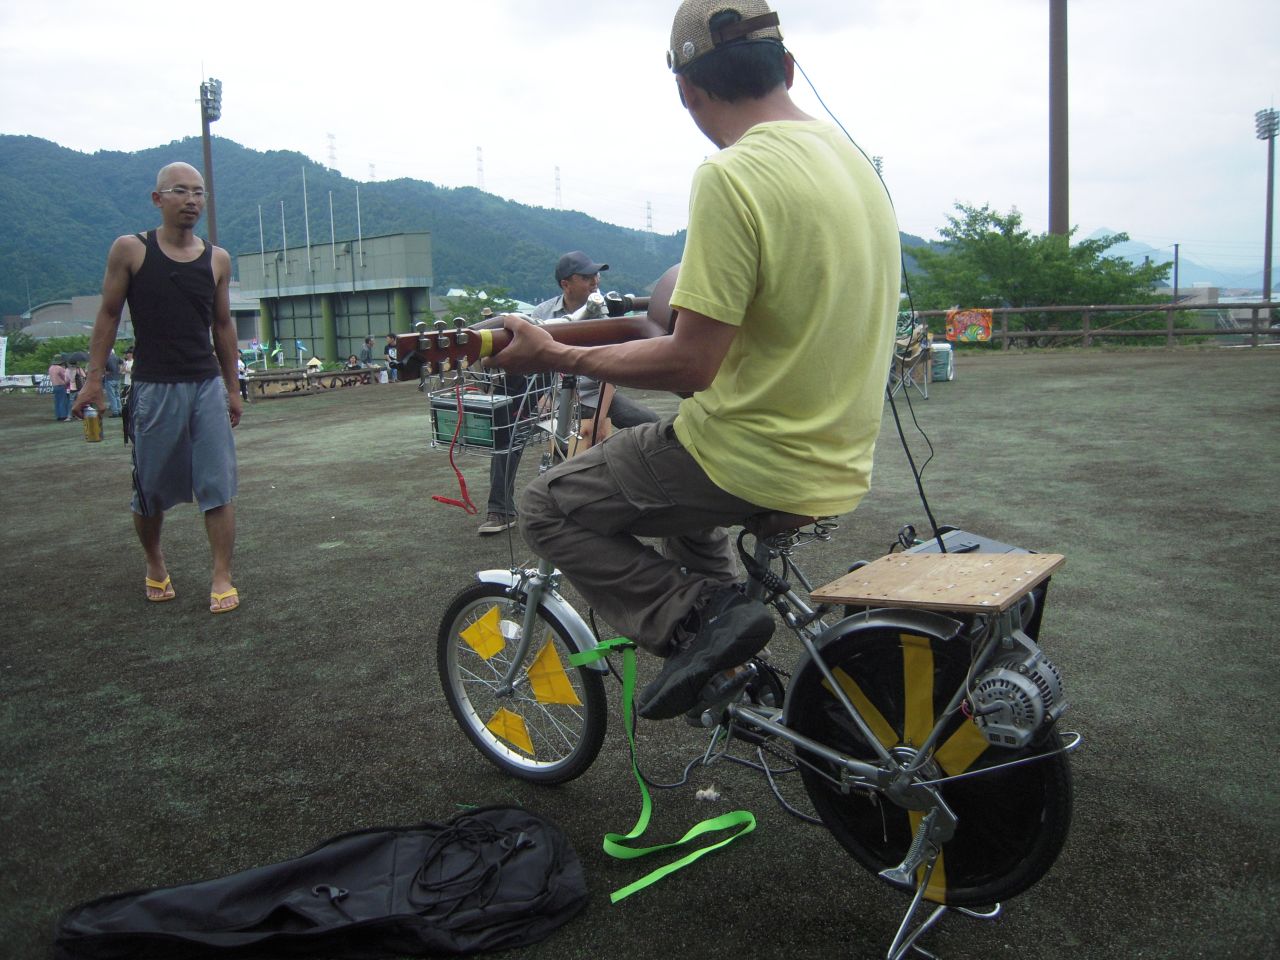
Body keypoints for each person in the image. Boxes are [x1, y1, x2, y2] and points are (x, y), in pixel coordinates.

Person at [492, 0, 899, 720]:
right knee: (680, 506)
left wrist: (555, 351)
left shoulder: (732, 175)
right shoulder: (858, 165)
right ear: (789, 67)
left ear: (686, 91)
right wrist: (560, 339)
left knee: (546, 504)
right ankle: (725, 650)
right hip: (839, 457)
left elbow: (691, 363)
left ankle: (699, 615)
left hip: (750, 455)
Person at [72, 161, 243, 614]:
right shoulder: (131, 250)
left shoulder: (217, 258)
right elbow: (108, 315)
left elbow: (223, 325)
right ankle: (155, 562)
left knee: (219, 485)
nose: (192, 201)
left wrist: (232, 387)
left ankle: (221, 574)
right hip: (153, 385)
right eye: (180, 191)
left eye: (199, 193)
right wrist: (93, 381)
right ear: (158, 199)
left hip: (205, 384)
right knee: (149, 489)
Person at [476, 250, 657, 536]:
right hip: (548, 390)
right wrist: (542, 397)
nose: (595, 281)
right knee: (508, 434)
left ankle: (660, 497)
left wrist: (600, 414)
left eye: (596, 275)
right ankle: (500, 509)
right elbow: (533, 362)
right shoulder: (542, 315)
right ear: (565, 284)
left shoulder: (608, 310)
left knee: (652, 425)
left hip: (594, 389)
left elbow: (611, 370)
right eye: (586, 277)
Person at [47, 355, 73, 421]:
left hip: (54, 386)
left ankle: (58, 415)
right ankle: (63, 415)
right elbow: (65, 377)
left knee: (57, 401)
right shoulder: (59, 368)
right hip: (61, 386)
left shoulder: (50, 368)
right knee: (63, 401)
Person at [102, 346, 123, 416]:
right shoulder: (117, 357)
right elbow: (123, 363)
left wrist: (104, 372)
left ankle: (115, 412)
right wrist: (120, 370)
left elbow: (103, 368)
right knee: (117, 395)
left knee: (112, 396)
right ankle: (120, 410)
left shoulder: (106, 359)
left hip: (109, 379)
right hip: (117, 378)